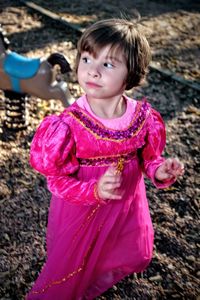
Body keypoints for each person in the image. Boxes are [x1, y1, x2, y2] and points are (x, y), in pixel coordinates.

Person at [27, 18, 184, 300]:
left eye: (108, 64)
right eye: (86, 59)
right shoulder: (69, 125)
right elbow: (57, 181)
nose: (93, 71)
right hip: (81, 210)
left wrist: (159, 170)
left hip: (125, 206)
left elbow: (147, 158)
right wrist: (94, 190)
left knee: (116, 249)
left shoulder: (142, 117)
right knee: (73, 266)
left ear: (131, 74)